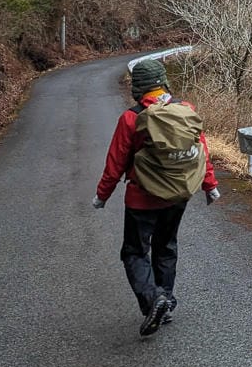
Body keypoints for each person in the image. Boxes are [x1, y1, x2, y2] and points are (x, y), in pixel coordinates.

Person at [93, 57, 220, 336]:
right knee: (166, 247)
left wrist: (102, 195)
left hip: (142, 198)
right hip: (178, 196)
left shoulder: (131, 117)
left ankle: (154, 300)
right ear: (163, 82)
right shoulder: (185, 110)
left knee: (135, 252)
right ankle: (166, 302)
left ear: (138, 87)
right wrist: (210, 185)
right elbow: (201, 152)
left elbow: (115, 163)